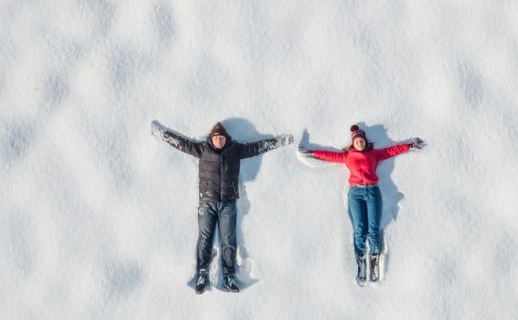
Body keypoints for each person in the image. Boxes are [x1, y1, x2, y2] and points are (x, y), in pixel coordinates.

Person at [152, 120, 294, 293]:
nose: (219, 141)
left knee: (229, 241)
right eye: (216, 138)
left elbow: (257, 147)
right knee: (205, 240)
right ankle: (202, 275)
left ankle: (228, 277)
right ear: (212, 138)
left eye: (221, 138)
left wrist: (279, 141)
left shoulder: (235, 150)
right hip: (207, 202)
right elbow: (181, 144)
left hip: (228, 203)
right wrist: (162, 133)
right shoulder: (202, 149)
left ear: (226, 138)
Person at [300, 124, 424, 284]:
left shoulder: (374, 154)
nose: (360, 143)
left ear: (365, 141)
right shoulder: (347, 156)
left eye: (362, 140)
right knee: (360, 229)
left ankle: (373, 260)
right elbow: (329, 156)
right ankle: (361, 263)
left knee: (373, 228)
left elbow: (391, 150)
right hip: (356, 194)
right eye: (357, 141)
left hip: (373, 192)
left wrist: (409, 146)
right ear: (353, 143)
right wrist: (311, 152)